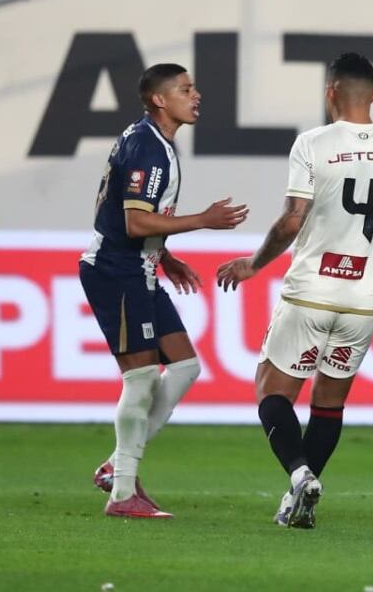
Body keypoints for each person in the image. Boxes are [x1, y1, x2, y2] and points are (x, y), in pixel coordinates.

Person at [216, 52, 373, 529]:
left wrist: (254, 263)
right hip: (364, 300)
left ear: (329, 91)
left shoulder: (312, 144)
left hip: (312, 291)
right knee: (329, 403)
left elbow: (293, 219)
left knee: (271, 391)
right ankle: (300, 499)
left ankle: (299, 473)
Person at [81, 63, 249, 519]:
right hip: (118, 271)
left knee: (185, 367)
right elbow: (135, 222)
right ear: (159, 99)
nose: (196, 96)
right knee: (139, 380)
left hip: (141, 267)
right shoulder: (148, 149)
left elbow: (130, 215)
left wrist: (165, 254)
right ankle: (122, 493)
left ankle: (117, 465)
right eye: (185, 89)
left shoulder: (155, 142)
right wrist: (203, 220)